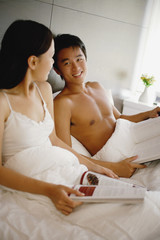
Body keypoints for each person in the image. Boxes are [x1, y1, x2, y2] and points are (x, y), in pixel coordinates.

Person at [0, 20, 119, 216]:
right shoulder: (3, 102)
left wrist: (94, 166)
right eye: (51, 57)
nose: (53, 64)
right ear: (33, 61)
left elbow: (54, 140)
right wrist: (50, 190)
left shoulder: (44, 90)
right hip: (32, 181)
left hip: (60, 168)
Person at [53, 34, 160, 178]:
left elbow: (120, 118)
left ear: (86, 59)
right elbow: (66, 154)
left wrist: (149, 114)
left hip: (130, 134)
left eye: (79, 59)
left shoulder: (96, 86)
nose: (76, 67)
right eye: (67, 63)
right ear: (57, 70)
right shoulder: (62, 103)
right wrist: (114, 167)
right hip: (115, 156)